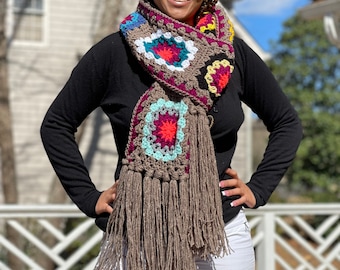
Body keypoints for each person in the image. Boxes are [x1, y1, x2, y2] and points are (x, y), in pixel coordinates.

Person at [40, 0, 303, 269]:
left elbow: (287, 122)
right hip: (136, 236)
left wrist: (258, 188)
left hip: (221, 236)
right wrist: (88, 197)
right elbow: (56, 124)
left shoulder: (231, 53)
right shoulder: (114, 52)